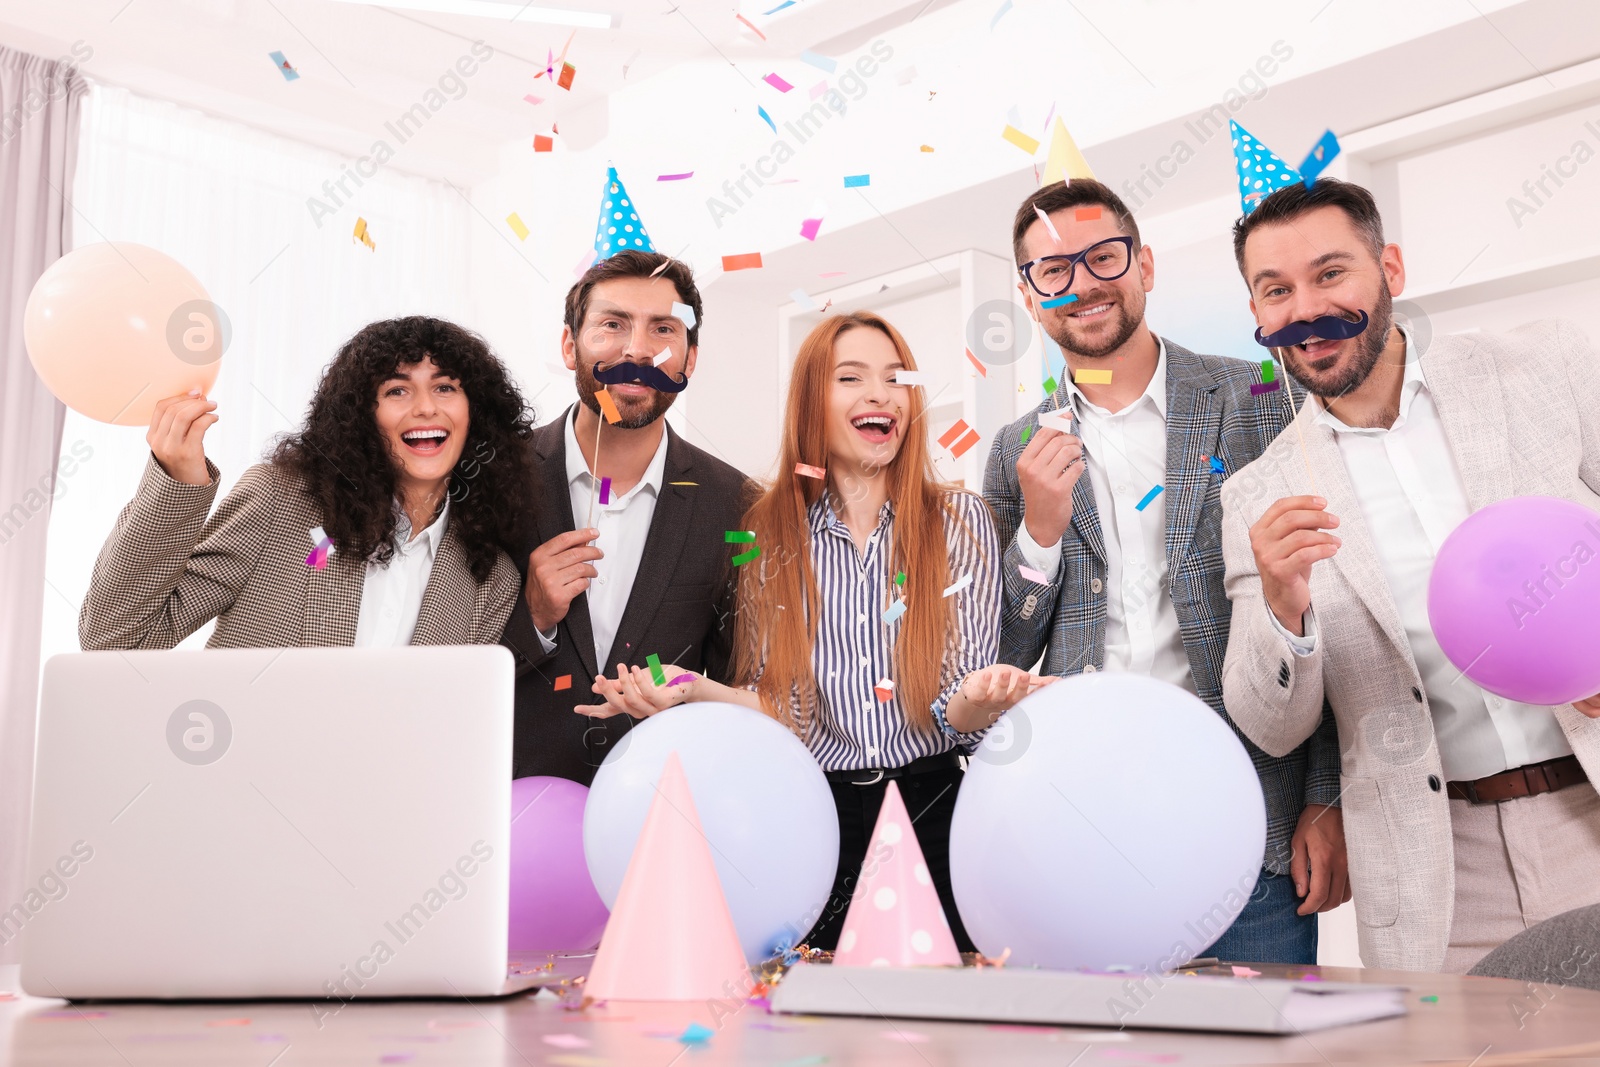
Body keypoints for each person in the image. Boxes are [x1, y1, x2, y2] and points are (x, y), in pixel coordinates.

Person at [579, 310, 1051, 952]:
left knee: (947, 1028)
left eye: (895, 377)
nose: (880, 393)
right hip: (811, 815)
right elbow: (788, 715)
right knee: (819, 1028)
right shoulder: (765, 536)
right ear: (812, 404)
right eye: (851, 377)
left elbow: (954, 712)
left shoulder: (960, 523)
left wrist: (985, 692)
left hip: (936, 809)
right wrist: (693, 689)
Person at [1220, 177, 1600, 973]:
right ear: (1257, 315)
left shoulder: (1549, 365)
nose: (1306, 309)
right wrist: (1285, 609)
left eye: (1331, 274)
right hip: (1441, 873)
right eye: (1276, 290)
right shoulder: (1257, 492)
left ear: (1390, 267)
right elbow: (1269, 723)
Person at [981, 178, 1348, 966]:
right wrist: (1039, 535)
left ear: (1143, 263)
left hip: (1249, 804)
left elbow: (1333, 600)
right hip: (1088, 810)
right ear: (1028, 294)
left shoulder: (1261, 396)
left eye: (1103, 256)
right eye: (1053, 271)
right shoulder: (1015, 448)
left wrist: (1328, 793)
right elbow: (1002, 649)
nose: (1081, 283)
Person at [80, 316, 533, 650]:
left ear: (477, 413)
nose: (425, 408)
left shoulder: (490, 578)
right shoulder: (278, 501)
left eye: (445, 388)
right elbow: (116, 638)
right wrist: (177, 482)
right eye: (397, 390)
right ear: (362, 416)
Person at [501, 250, 756, 784]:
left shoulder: (738, 504)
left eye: (663, 328)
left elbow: (745, 690)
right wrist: (535, 617)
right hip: (513, 824)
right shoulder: (492, 481)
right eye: (612, 324)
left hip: (664, 820)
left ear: (688, 360)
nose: (638, 350)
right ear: (570, 346)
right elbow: (445, 660)